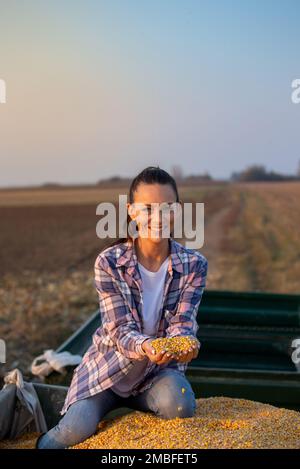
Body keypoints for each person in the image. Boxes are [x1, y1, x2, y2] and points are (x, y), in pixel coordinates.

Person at [36, 166, 208, 449]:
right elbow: (119, 330)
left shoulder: (194, 265)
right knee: (72, 432)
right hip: (107, 372)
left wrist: (184, 342)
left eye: (167, 208)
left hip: (155, 374)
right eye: (148, 209)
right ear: (131, 211)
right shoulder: (109, 262)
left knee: (179, 405)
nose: (158, 218)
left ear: (177, 211)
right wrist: (148, 347)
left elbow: (183, 322)